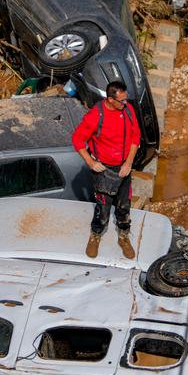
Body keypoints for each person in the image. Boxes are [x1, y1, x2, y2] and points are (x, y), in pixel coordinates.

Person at [71, 80, 141, 258]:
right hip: (104, 170)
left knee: (124, 206)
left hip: (124, 168)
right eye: (121, 101)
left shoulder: (128, 111)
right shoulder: (96, 115)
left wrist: (128, 163)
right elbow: (77, 139)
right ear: (110, 99)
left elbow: (135, 137)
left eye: (126, 100)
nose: (125, 104)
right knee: (103, 208)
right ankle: (96, 235)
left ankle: (123, 236)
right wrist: (91, 163)